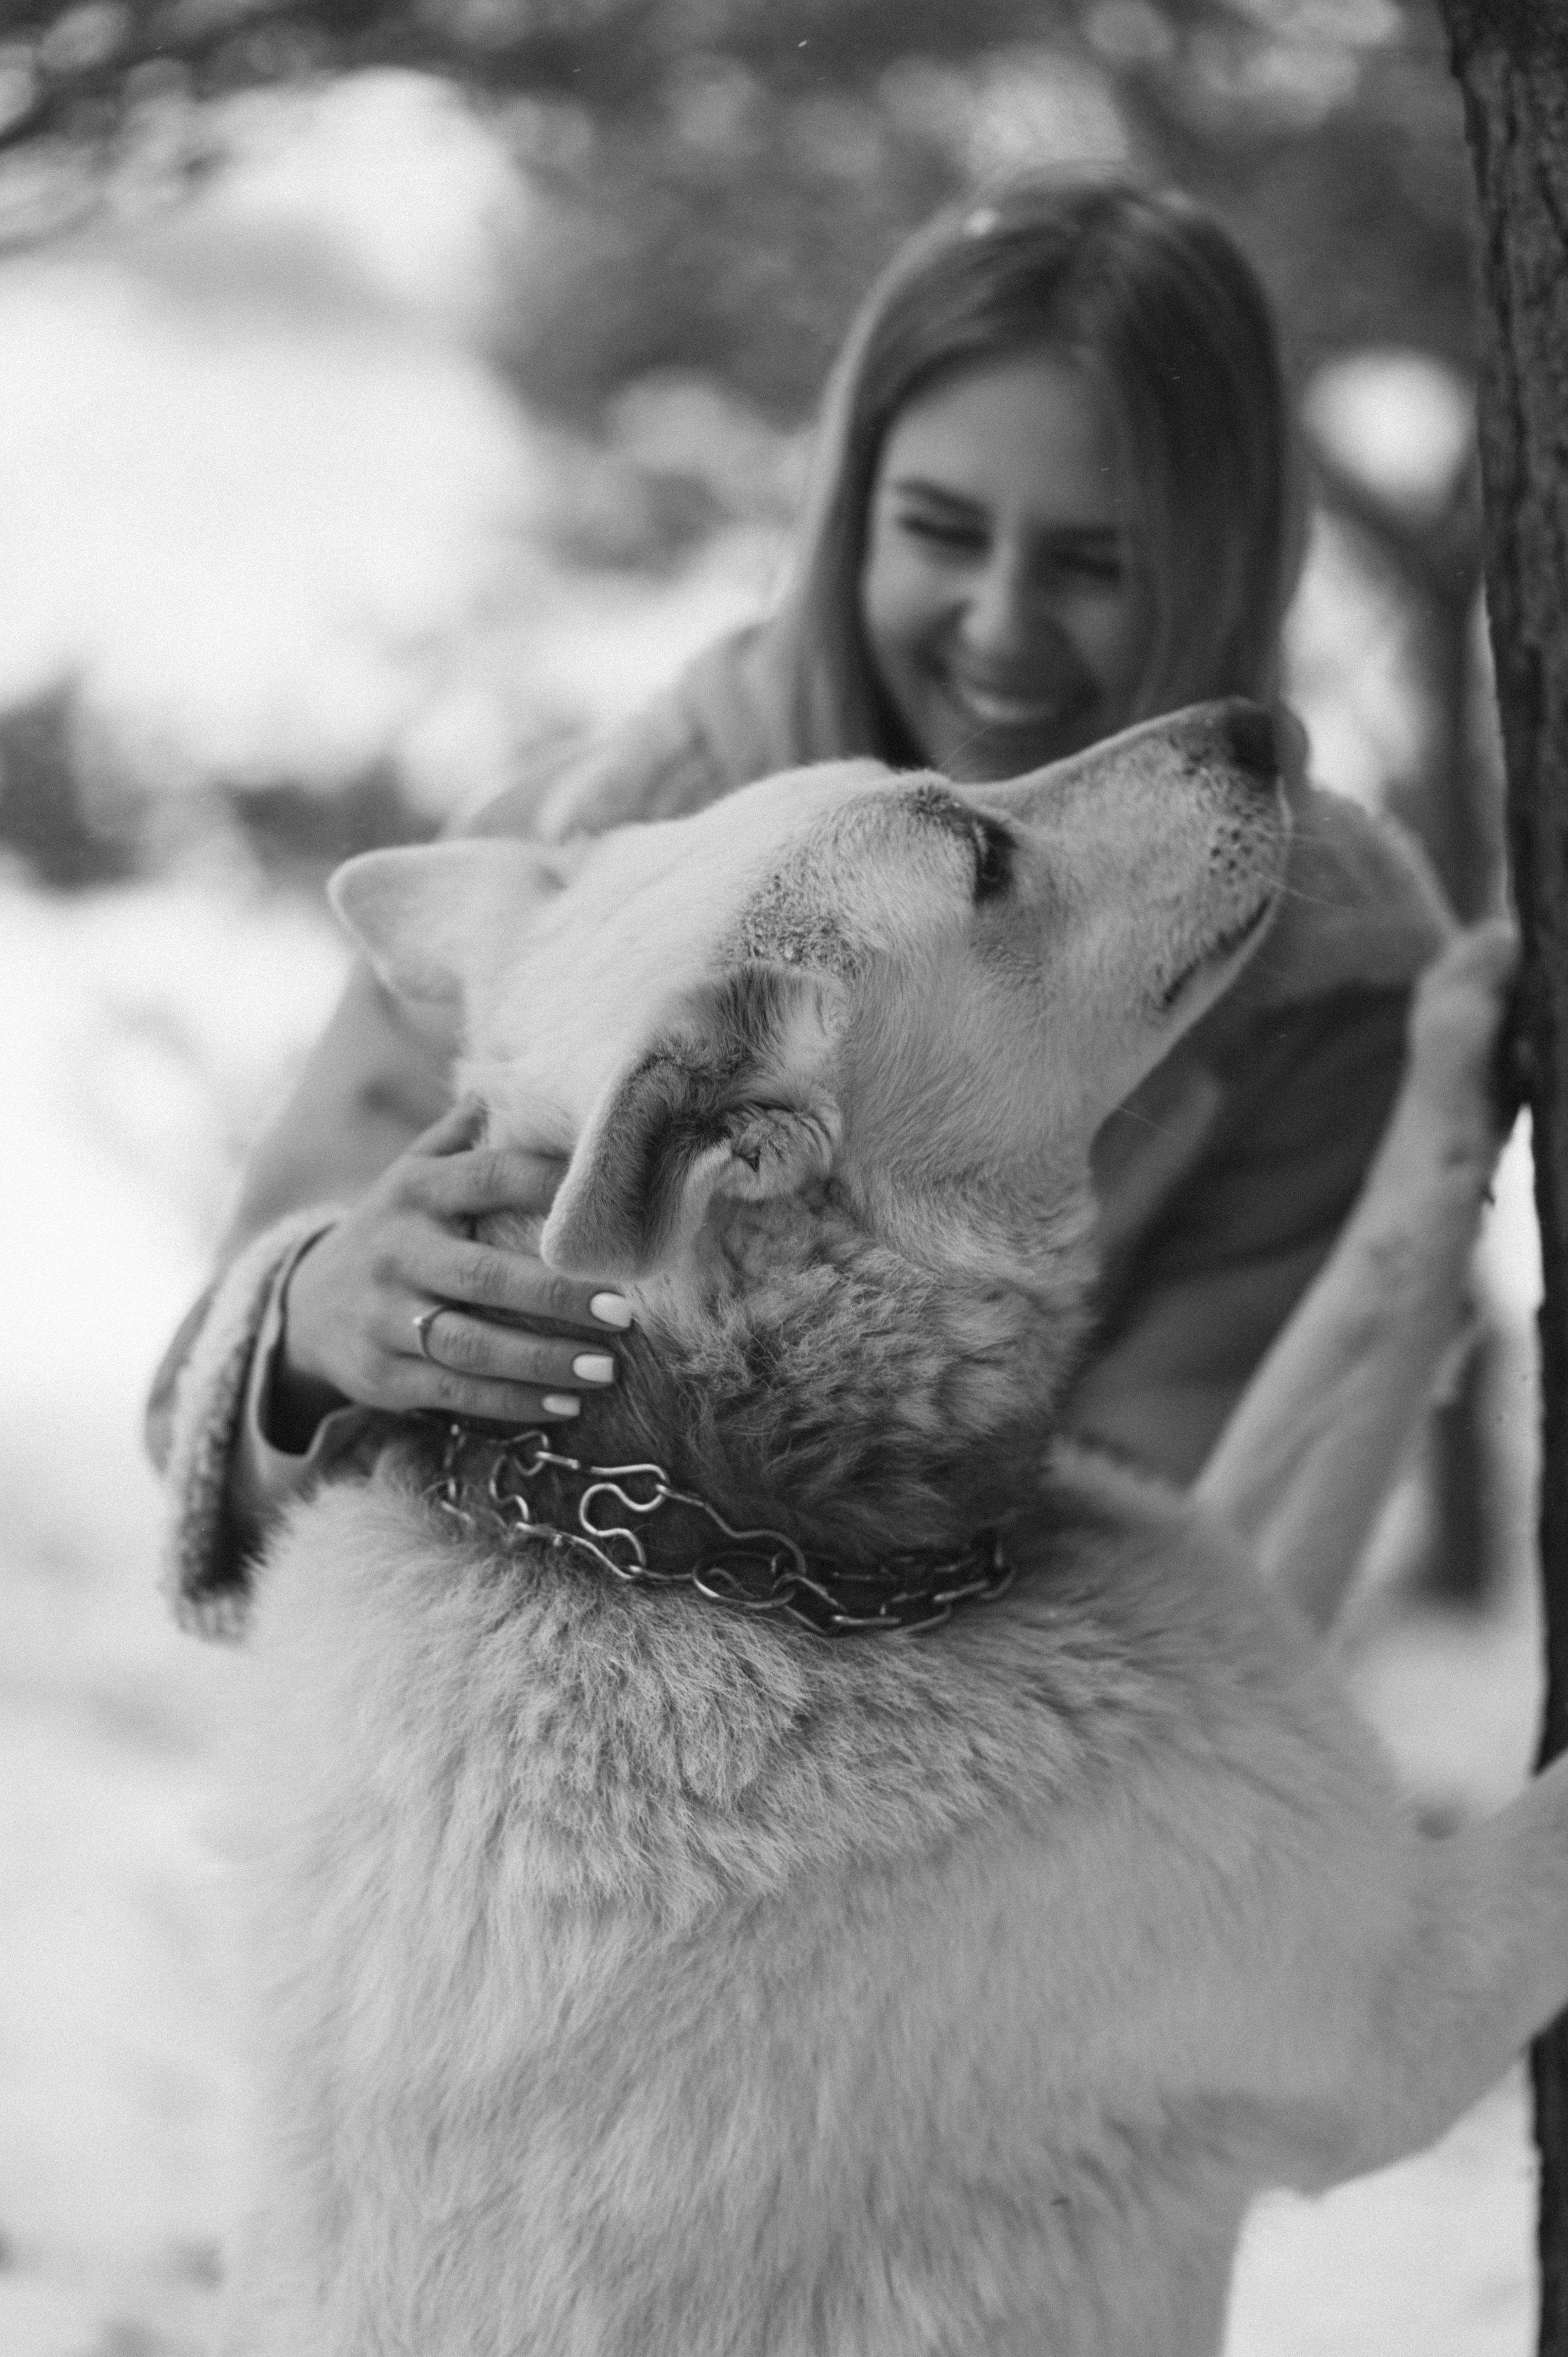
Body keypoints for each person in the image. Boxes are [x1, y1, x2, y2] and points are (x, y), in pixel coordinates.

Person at [149, 175, 1449, 1635]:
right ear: (851, 512)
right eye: (940, 530)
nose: (1003, 624)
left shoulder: (1320, 975)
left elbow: (1203, 1524)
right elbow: (197, 1405)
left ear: (1222, 556)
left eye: (1096, 561)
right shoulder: (597, 855)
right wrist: (310, 1323)